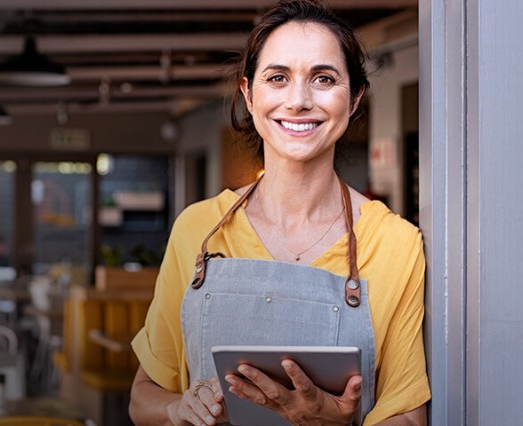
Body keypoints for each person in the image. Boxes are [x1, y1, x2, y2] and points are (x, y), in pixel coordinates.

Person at [127, 2, 428, 425]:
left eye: (324, 79)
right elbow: (143, 398)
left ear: (355, 97)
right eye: (277, 78)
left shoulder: (395, 243)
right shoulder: (198, 229)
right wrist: (179, 409)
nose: (299, 101)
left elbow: (409, 417)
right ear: (249, 95)